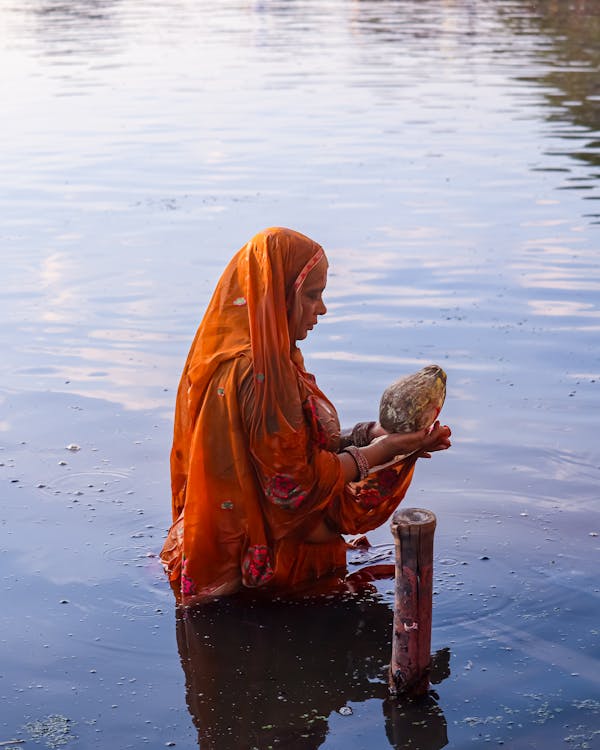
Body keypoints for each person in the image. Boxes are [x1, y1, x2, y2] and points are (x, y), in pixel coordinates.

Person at [160, 227, 451, 604]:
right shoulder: (259, 374)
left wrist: (375, 434)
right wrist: (383, 451)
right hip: (270, 580)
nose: (322, 308)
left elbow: (289, 447)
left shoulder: (253, 359)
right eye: (312, 295)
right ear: (278, 296)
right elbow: (293, 486)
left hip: (236, 563)